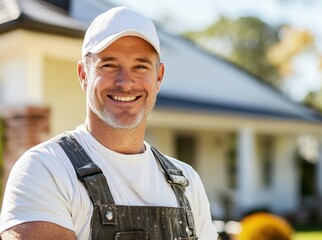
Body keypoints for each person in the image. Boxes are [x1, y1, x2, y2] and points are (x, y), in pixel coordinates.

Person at [0, 6, 218, 240]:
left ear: (159, 77)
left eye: (140, 66)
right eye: (109, 65)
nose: (125, 82)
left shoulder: (187, 182)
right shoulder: (46, 169)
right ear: (84, 75)